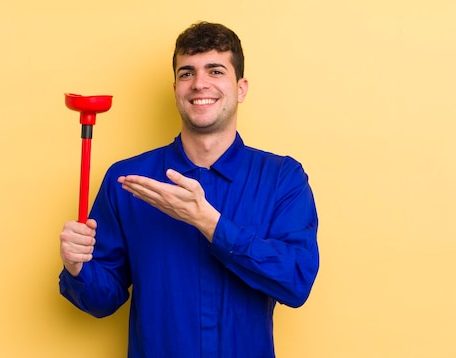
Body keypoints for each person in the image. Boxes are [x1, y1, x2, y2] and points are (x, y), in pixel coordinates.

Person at [59, 21, 320, 358]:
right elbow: (101, 301)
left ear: (241, 88)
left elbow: (296, 281)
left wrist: (210, 223)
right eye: (187, 73)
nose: (199, 84)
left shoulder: (282, 179)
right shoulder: (127, 180)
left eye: (215, 71)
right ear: (175, 88)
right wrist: (77, 267)